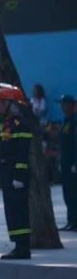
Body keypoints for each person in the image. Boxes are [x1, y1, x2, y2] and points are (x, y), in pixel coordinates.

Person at [0, 83, 33, 259]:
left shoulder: (20, 124)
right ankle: (17, 244)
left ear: (11, 104)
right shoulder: (7, 123)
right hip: (8, 172)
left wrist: (19, 176)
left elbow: (22, 152)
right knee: (12, 210)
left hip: (16, 173)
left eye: (2, 102)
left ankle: (23, 247)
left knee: (19, 210)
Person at [60, 95, 76, 231]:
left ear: (71, 105)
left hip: (72, 162)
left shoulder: (75, 121)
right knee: (67, 193)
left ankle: (75, 221)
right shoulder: (66, 120)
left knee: (73, 192)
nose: (62, 107)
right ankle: (70, 220)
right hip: (65, 161)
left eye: (64, 104)